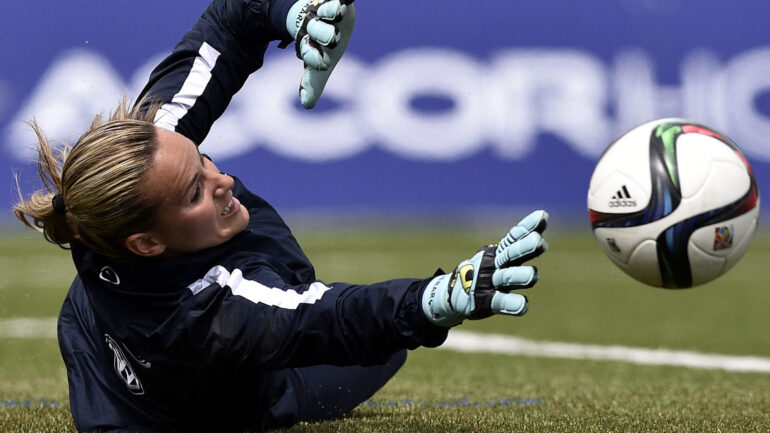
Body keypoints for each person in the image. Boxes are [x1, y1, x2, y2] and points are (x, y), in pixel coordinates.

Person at [13, 0, 549, 431]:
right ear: (147, 243)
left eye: (201, 159)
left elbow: (228, 18)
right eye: (195, 192)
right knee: (377, 352)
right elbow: (327, 317)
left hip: (122, 311)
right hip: (212, 394)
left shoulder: (140, 168)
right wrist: (437, 300)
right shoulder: (206, 319)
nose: (223, 181)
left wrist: (295, 14)